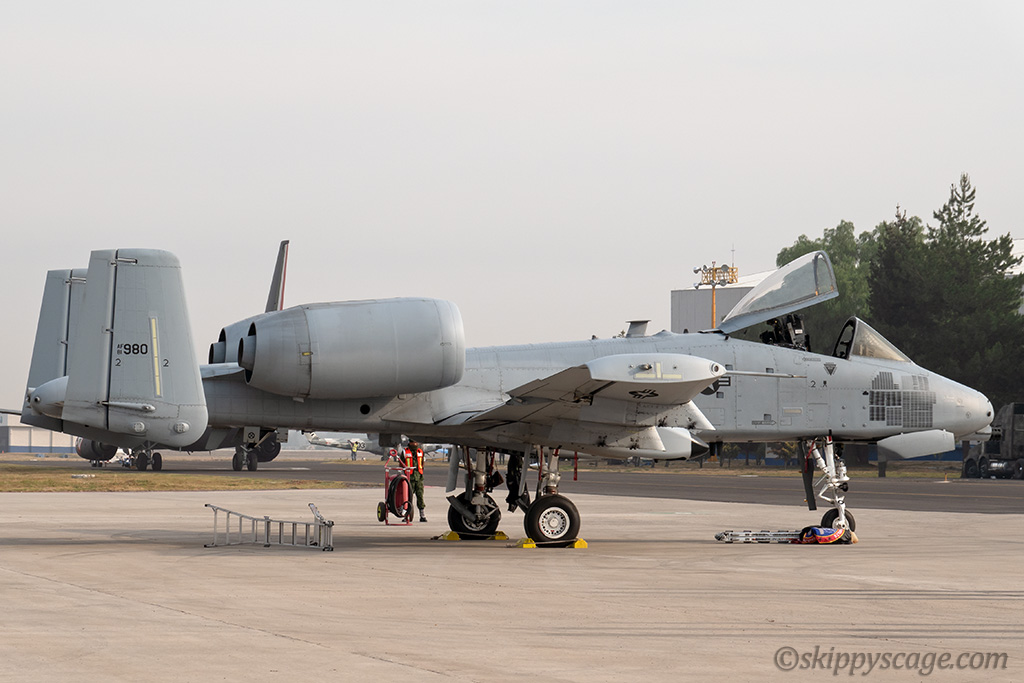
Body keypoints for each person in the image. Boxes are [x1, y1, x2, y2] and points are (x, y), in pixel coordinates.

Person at [406, 440, 427, 522]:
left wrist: (421, 472)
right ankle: (407, 515)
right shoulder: (405, 452)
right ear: (409, 443)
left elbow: (422, 463)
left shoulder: (420, 452)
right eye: (413, 442)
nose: (414, 444)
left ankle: (422, 515)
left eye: (415, 442)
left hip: (419, 478)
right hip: (409, 478)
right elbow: (401, 464)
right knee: (408, 497)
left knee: (420, 496)